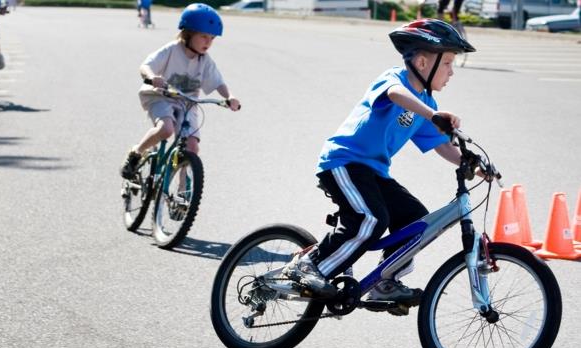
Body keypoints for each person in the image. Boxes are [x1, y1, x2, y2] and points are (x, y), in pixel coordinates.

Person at [281, 19, 475, 315]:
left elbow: (439, 144)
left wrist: (471, 162)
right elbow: (395, 95)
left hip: (373, 172)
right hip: (344, 162)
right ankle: (310, 266)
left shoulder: (424, 100)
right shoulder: (395, 80)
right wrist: (433, 113)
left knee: (414, 221)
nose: (452, 71)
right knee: (370, 219)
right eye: (448, 62)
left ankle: (386, 280)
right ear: (423, 62)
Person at [120, 3, 241, 180]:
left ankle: (182, 194)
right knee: (166, 129)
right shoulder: (172, 50)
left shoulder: (205, 61)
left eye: (212, 38)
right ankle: (136, 153)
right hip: (161, 97)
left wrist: (229, 96)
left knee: (192, 147)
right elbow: (146, 65)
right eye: (204, 36)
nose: (208, 42)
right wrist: (153, 77)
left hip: (187, 103)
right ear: (188, 33)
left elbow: (218, 82)